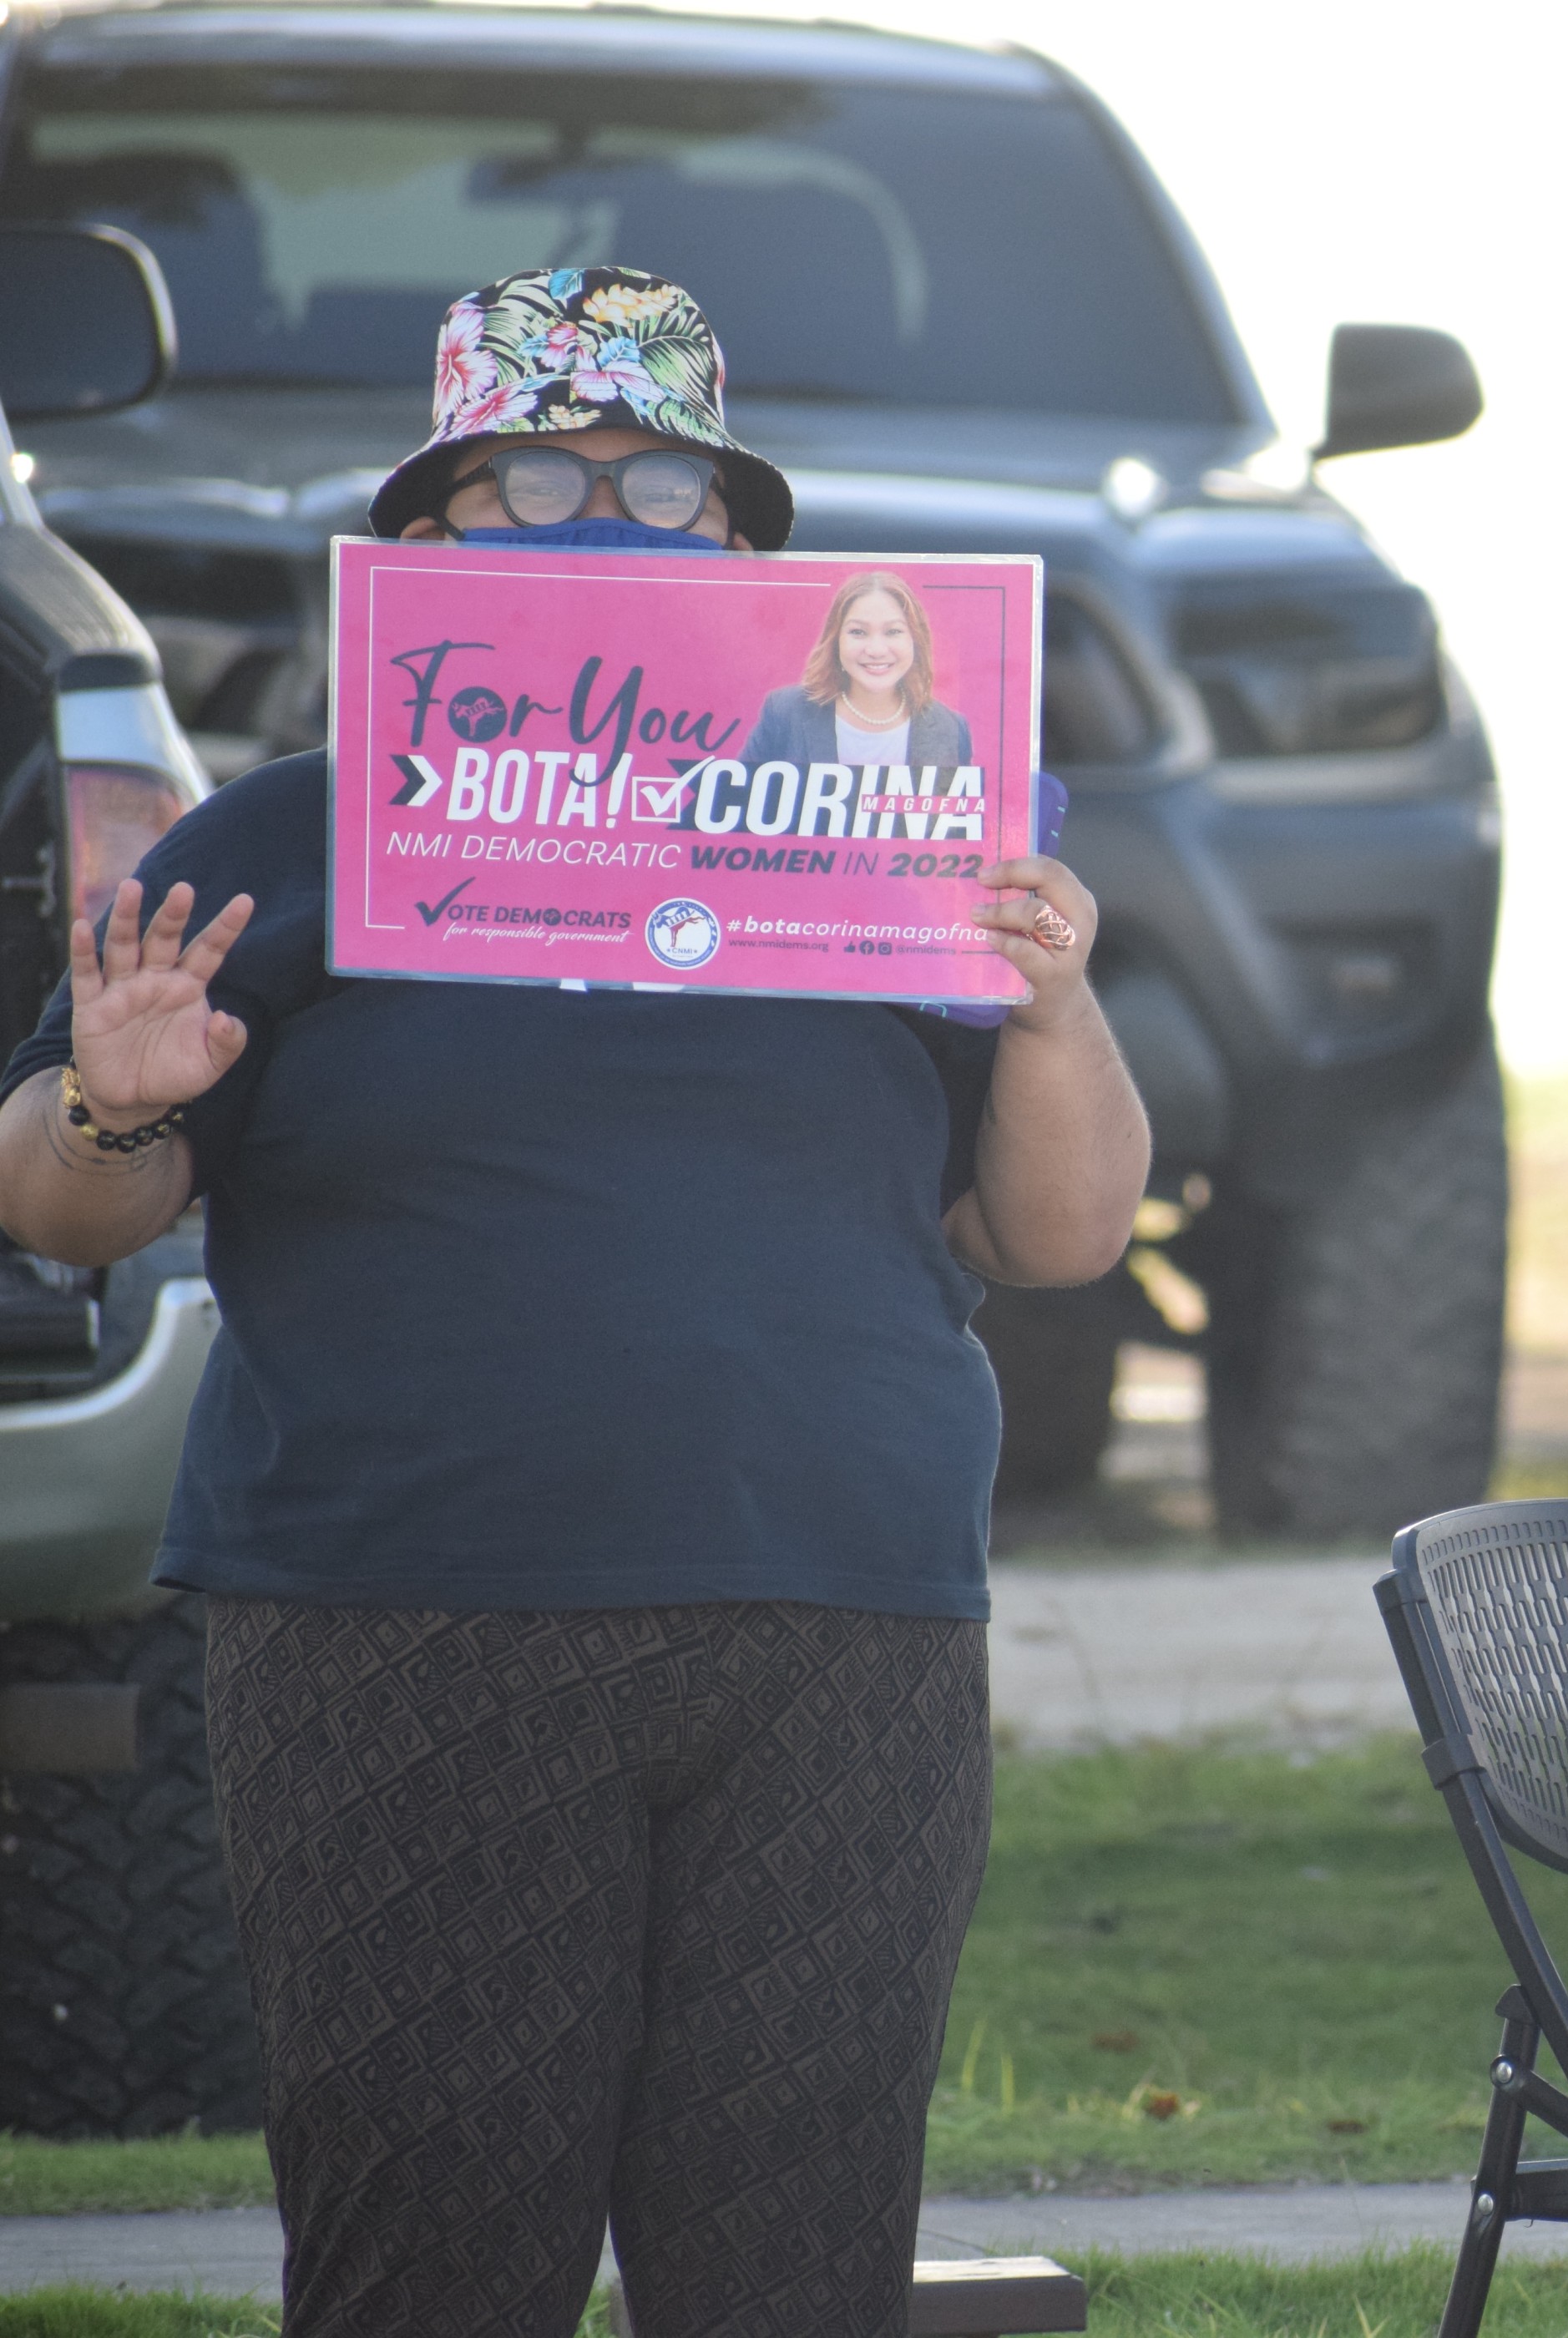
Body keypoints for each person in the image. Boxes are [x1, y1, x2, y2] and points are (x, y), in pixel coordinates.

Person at [0, 265, 1149, 2338]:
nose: (603, 521)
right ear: (422, 531)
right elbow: (66, 1212)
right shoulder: (280, 838)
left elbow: (1058, 1236)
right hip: (406, 1633)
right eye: (534, 480)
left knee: (794, 2269)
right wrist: (111, 1096)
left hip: (839, 1626)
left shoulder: (896, 826)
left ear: (746, 542)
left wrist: (1053, 1003)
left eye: (660, 484)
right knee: (433, 2261)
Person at [742, 568, 978, 773]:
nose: (876, 650)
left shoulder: (951, 729)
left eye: (893, 632)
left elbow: (958, 821)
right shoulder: (785, 712)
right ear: (836, 640)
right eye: (858, 632)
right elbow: (737, 804)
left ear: (915, 639)